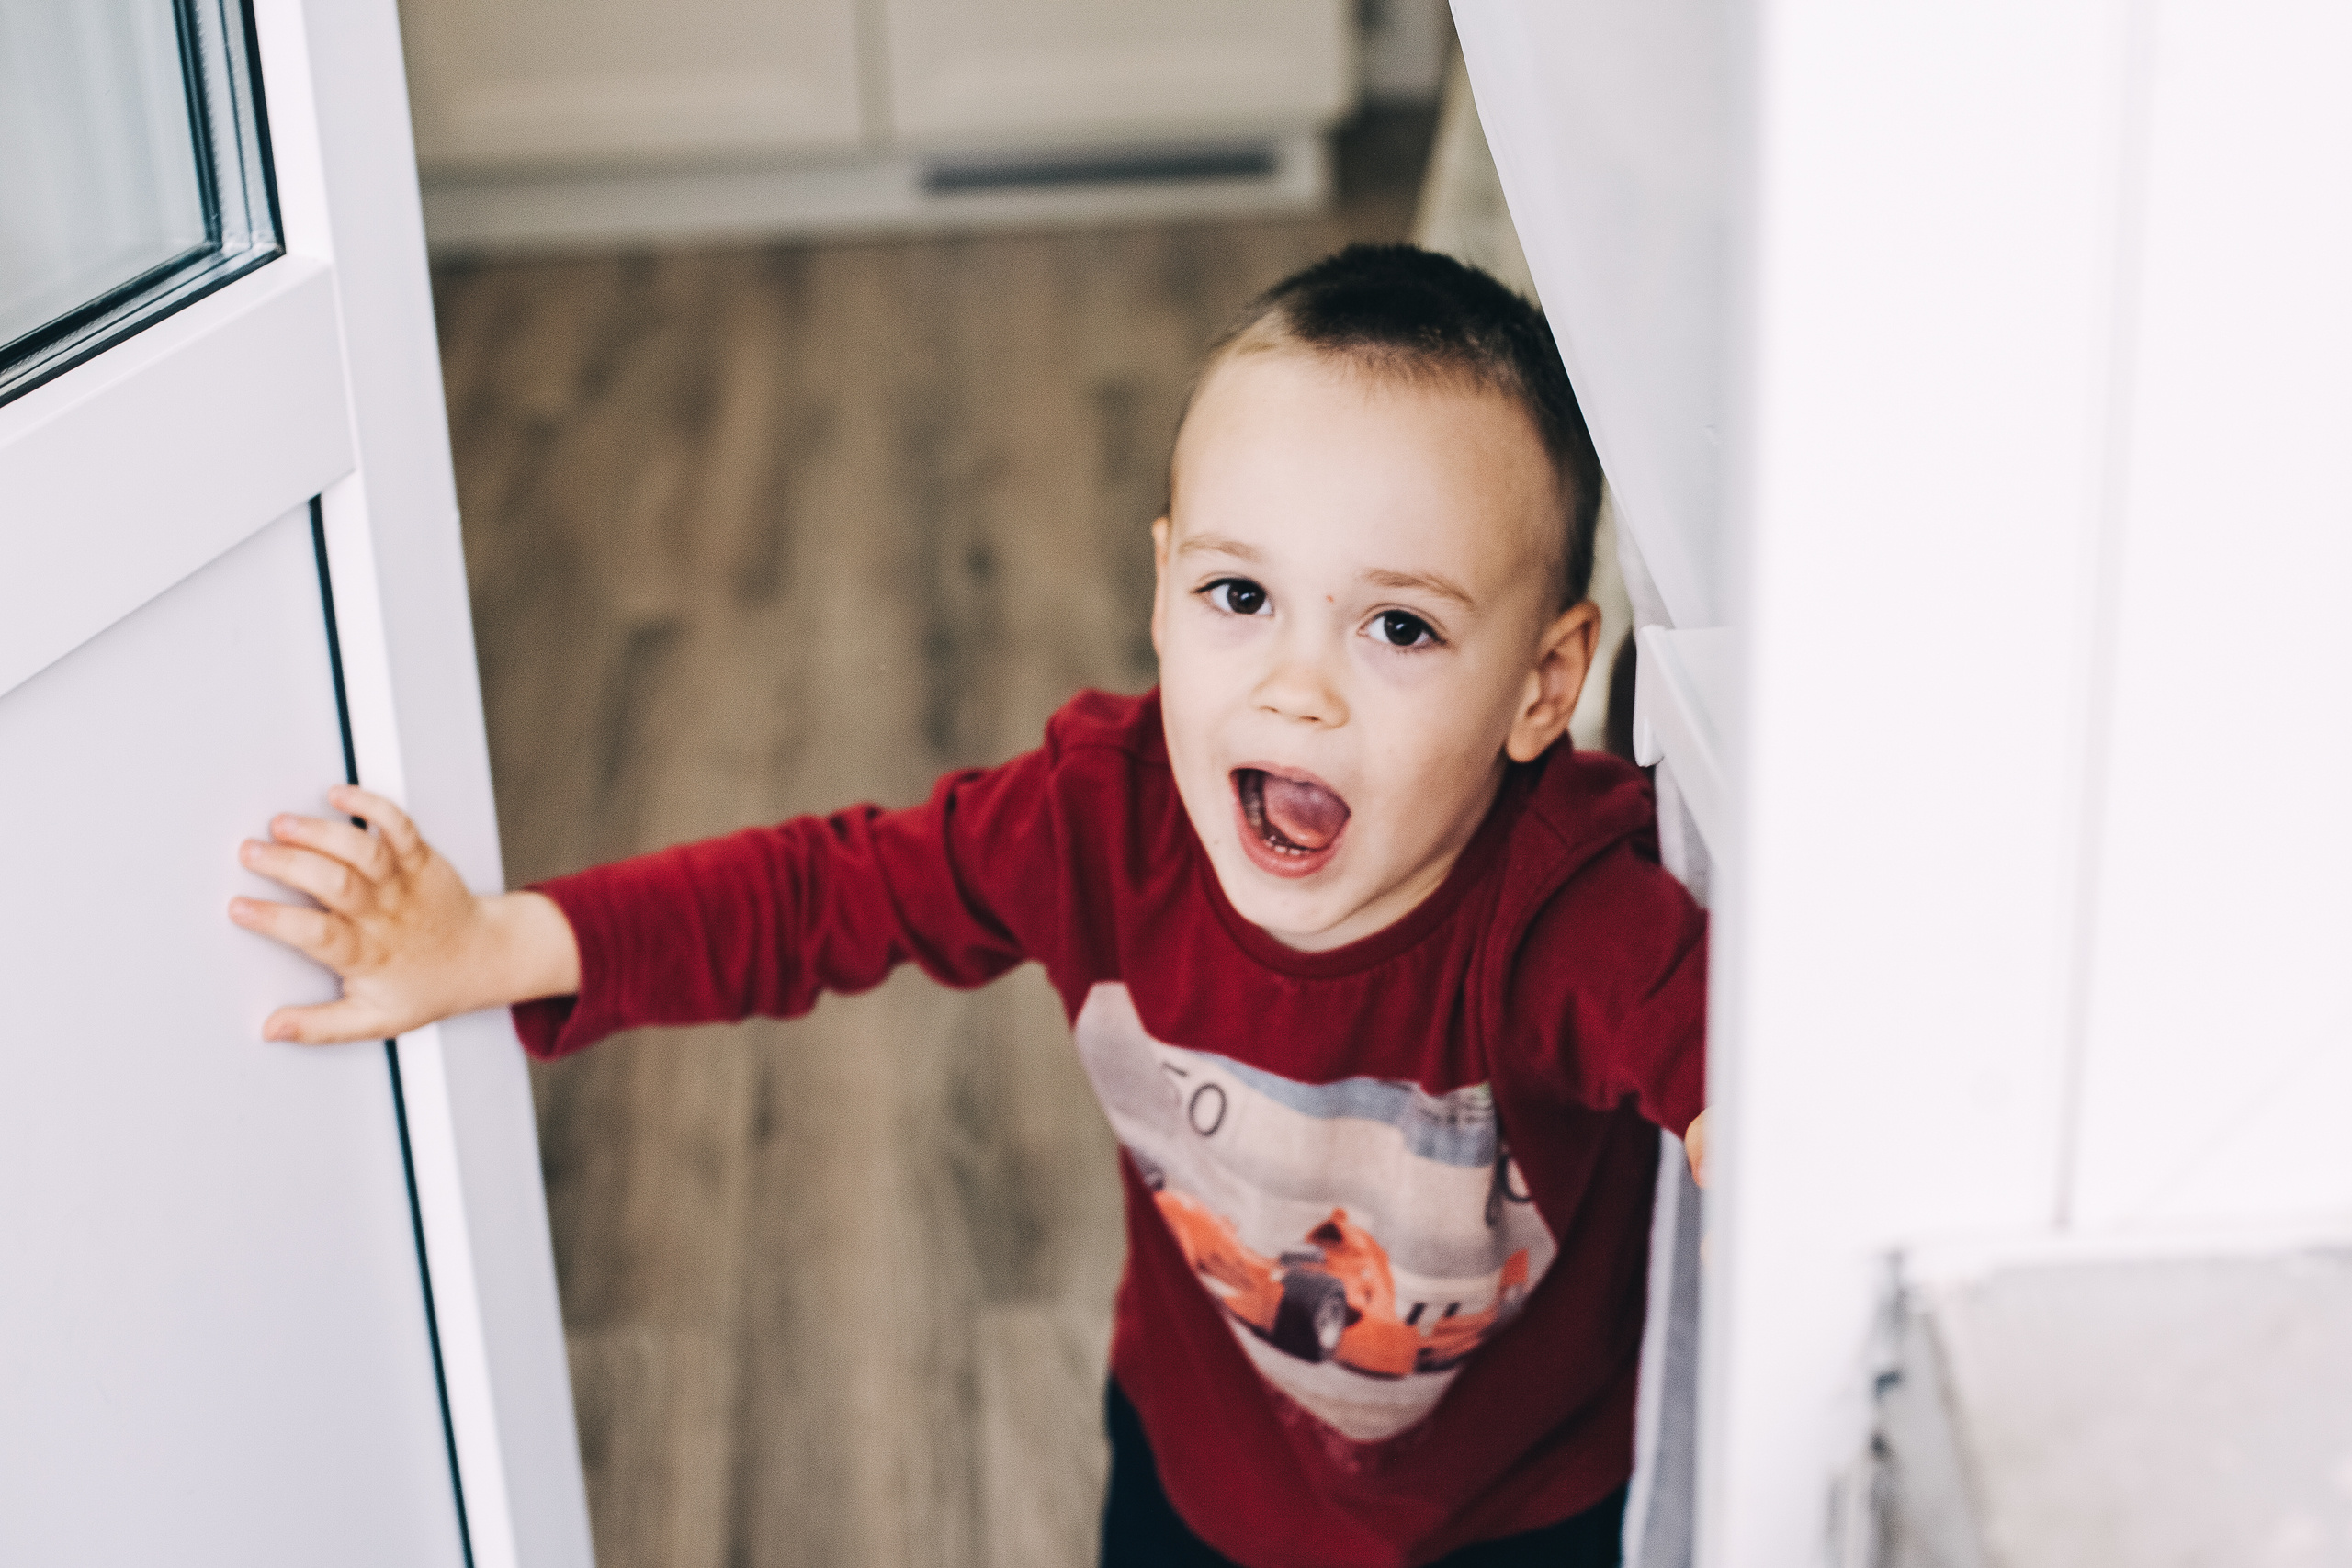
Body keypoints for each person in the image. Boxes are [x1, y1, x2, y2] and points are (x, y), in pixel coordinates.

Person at [230, 244, 1709, 1568]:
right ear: (1160, 587)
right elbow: (822, 894)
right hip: (1204, 1472)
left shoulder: (1576, 911)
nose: (1294, 687)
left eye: (1398, 626)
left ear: (1542, 686)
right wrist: (495, 943)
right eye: (1239, 596)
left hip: (1523, 1508)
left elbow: (1759, 1086)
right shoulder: (1098, 823)